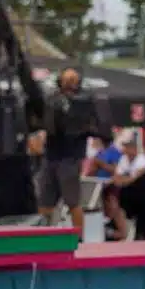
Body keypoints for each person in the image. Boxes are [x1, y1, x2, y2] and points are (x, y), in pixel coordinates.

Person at [32, 67, 92, 237]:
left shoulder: (82, 101)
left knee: (73, 202)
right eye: (66, 79)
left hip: (70, 157)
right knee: (44, 201)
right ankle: (42, 236)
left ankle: (79, 238)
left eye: (72, 79)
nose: (68, 83)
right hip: (51, 155)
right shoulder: (54, 99)